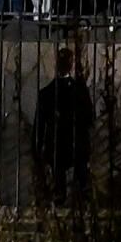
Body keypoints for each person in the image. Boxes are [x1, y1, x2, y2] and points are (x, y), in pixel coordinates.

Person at [33, 45, 93, 202]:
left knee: (67, 180)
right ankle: (75, 197)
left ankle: (70, 196)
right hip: (67, 143)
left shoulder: (49, 92)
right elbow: (89, 119)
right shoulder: (75, 91)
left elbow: (89, 118)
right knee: (72, 181)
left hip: (64, 143)